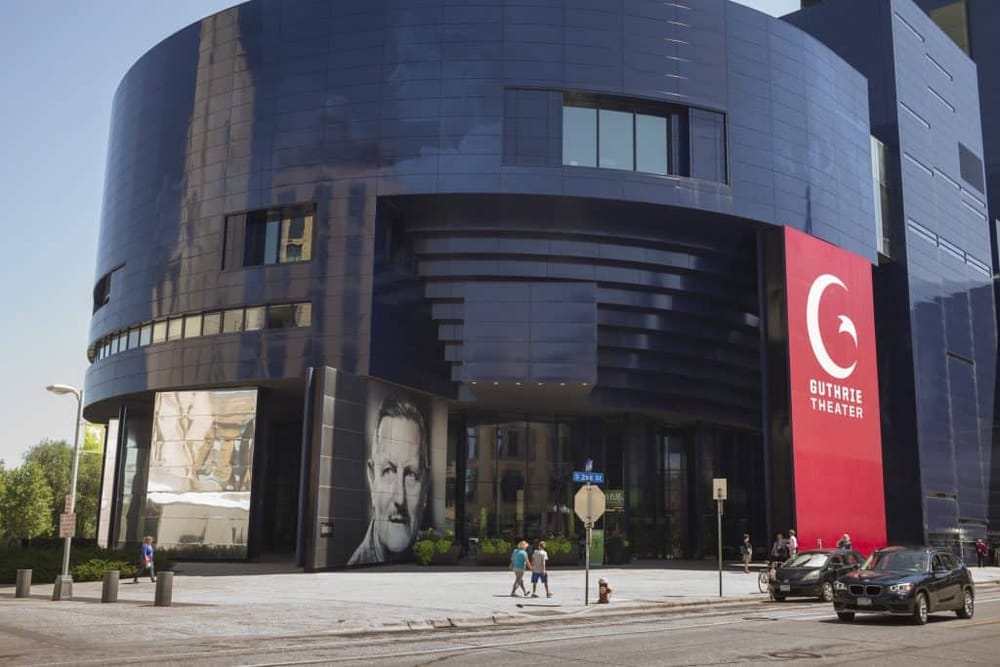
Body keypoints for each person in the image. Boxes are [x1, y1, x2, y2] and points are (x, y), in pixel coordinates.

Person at [348, 395, 430, 566]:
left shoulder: (431, 547)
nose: (400, 498)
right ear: (372, 480)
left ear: (425, 487)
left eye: (411, 475)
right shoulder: (357, 565)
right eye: (389, 471)